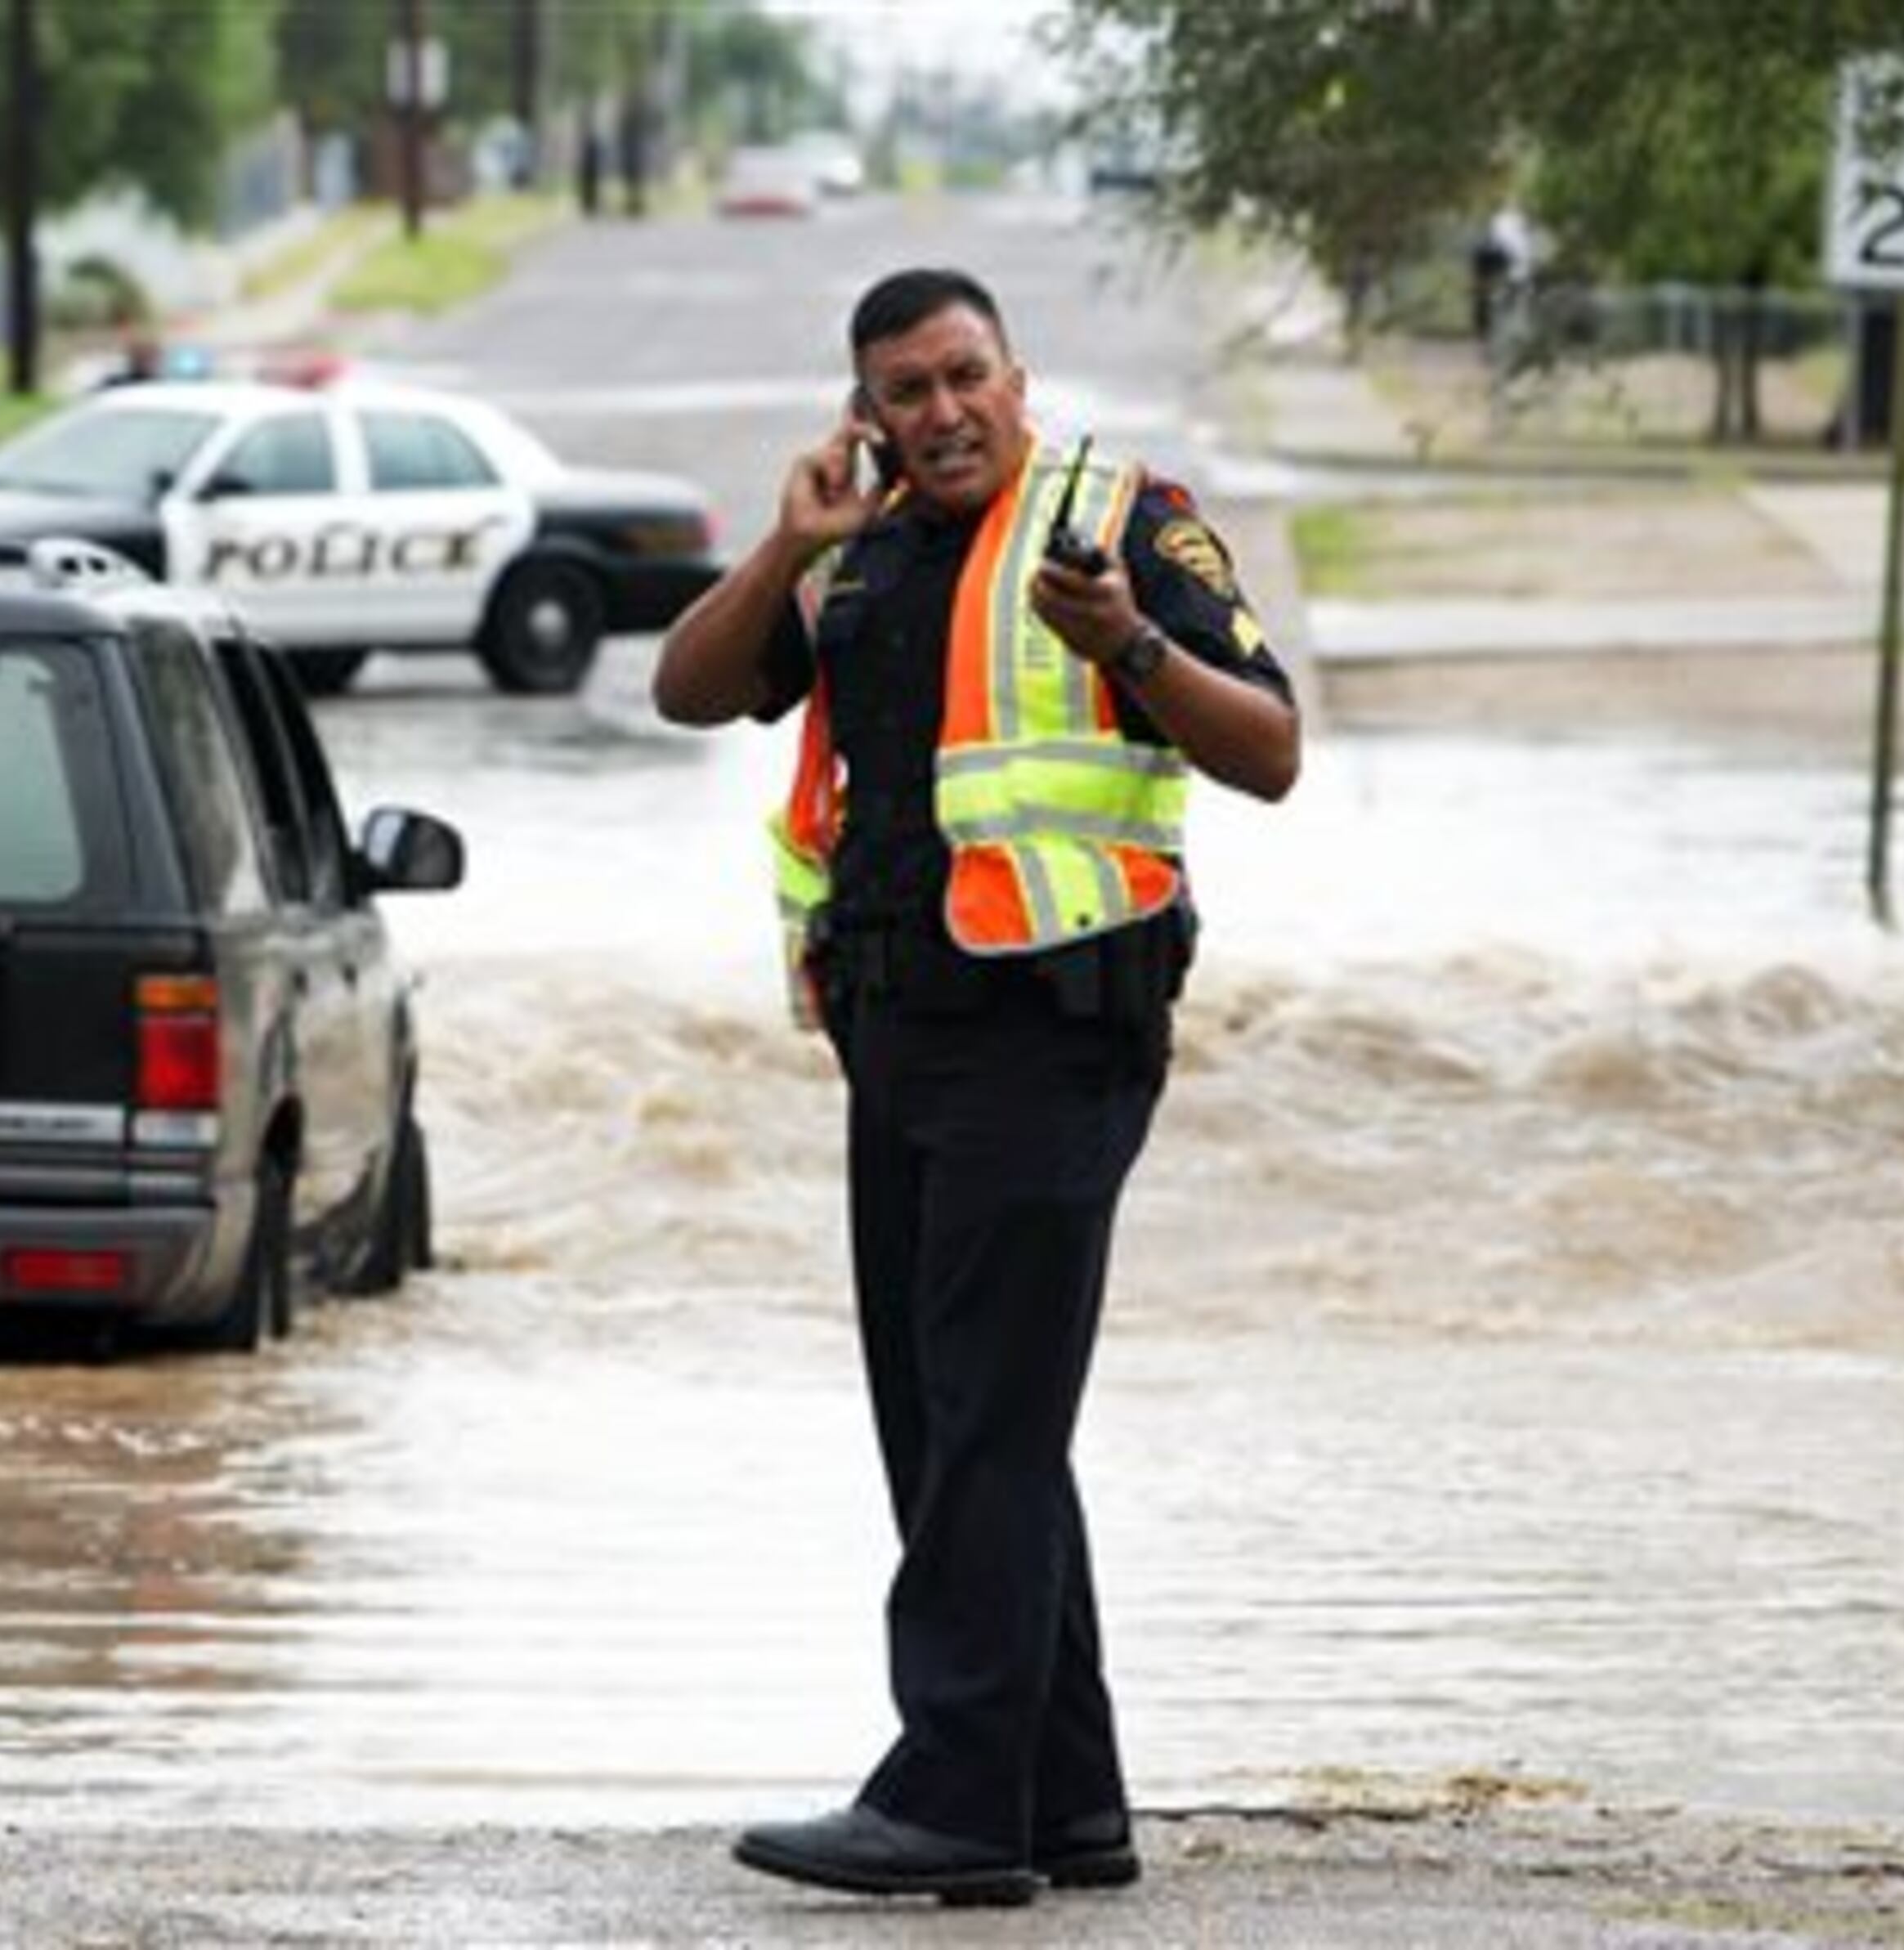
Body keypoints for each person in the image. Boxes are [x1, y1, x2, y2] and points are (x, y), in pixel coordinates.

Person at [652, 267, 1300, 1909]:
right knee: (960, 1419)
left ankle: (951, 1797)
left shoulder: (1122, 518)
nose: (941, 415)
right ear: (865, 413)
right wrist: (789, 543)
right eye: (905, 392)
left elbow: (1271, 749)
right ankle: (1062, 1801)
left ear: (1017, 376)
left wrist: (1133, 642)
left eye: (964, 379)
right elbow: (691, 686)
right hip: (900, 1029)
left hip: (1056, 1025)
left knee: (985, 1424)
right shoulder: (860, 545)